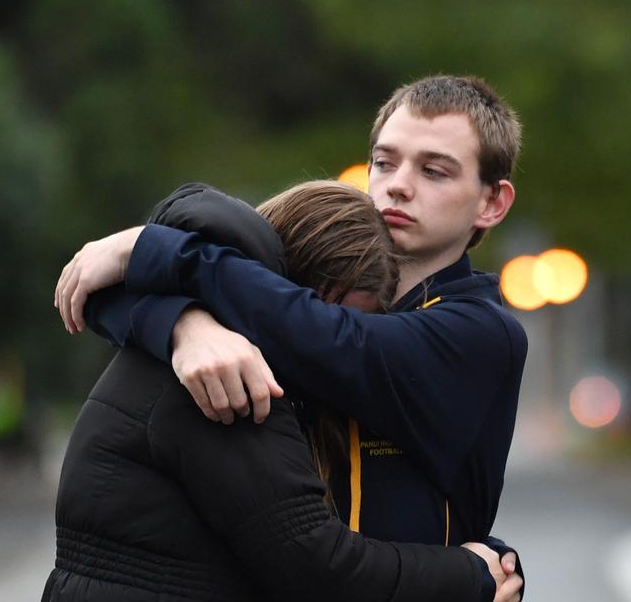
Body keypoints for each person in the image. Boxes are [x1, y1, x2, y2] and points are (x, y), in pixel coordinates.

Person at [53, 76, 526, 555]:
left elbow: (338, 342)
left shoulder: (482, 333)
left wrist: (158, 251)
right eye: (383, 163)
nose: (397, 186)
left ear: (492, 202)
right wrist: (187, 328)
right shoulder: (295, 292)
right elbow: (93, 291)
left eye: (434, 171)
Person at [46, 180, 520, 602]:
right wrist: (474, 573)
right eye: (324, 311)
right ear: (286, 287)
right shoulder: (227, 376)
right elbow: (318, 567)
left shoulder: (193, 339)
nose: (318, 345)